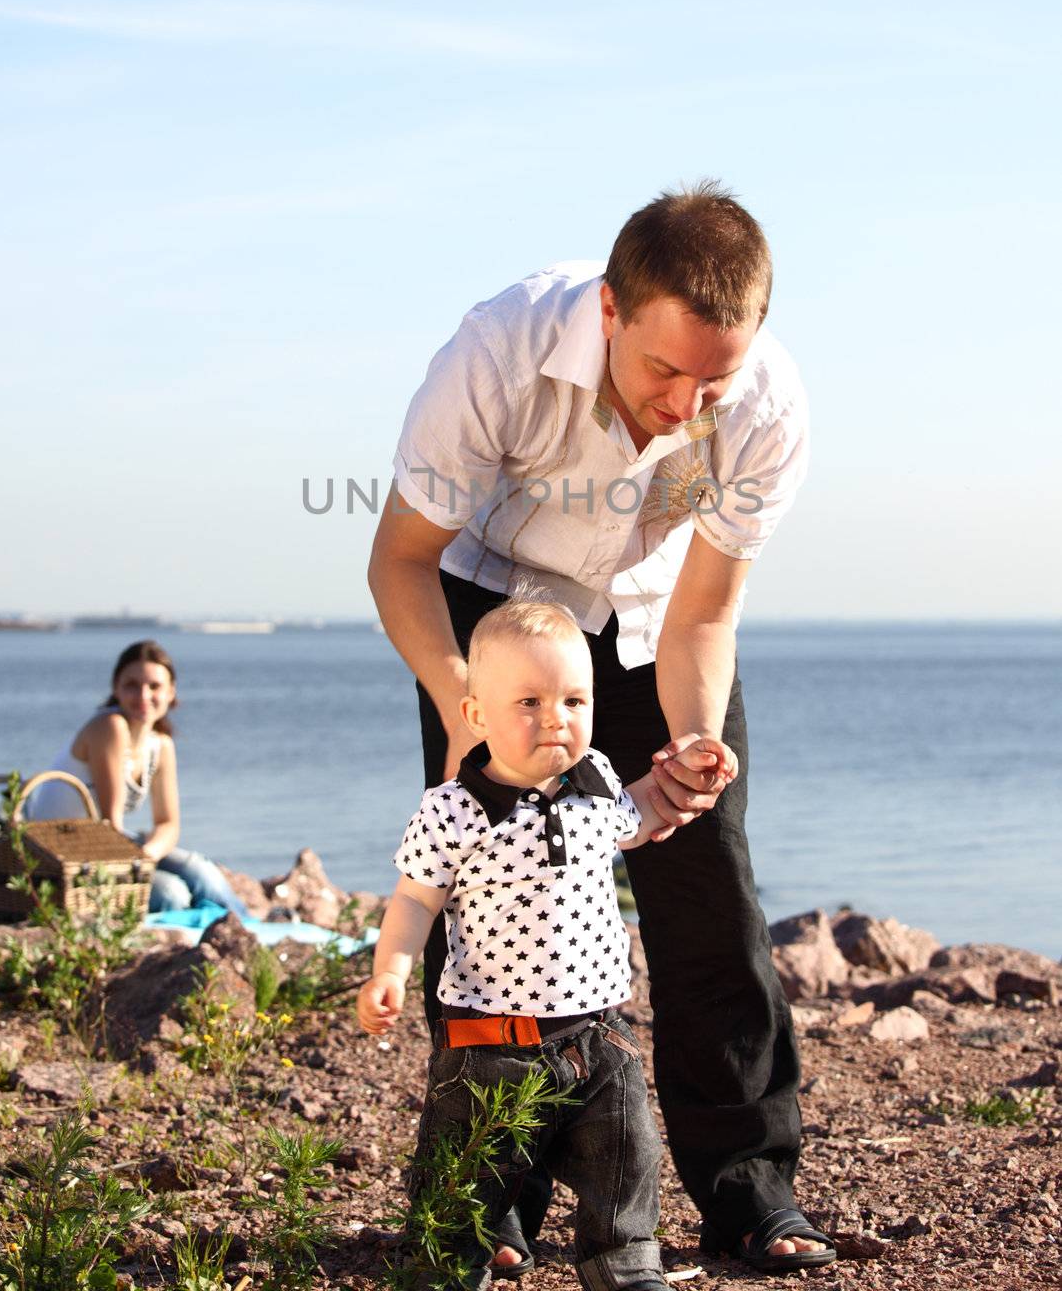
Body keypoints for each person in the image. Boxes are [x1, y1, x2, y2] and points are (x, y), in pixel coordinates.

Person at [367, 181, 835, 1274]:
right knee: (482, 905)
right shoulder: (497, 350)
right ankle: (493, 1203)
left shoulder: (767, 408)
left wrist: (692, 736)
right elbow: (398, 560)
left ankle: (749, 1191)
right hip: (490, 616)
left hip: (646, 623)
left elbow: (706, 610)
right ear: (611, 314)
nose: (685, 404)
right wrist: (466, 711)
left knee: (710, 886)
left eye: (712, 377)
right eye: (663, 370)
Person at [358, 597, 738, 1290]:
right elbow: (416, 897)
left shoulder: (594, 789)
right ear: (477, 717)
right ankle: (450, 1257)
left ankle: (620, 1259)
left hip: (598, 1032)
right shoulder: (455, 808)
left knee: (627, 1155)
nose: (556, 718)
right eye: (528, 701)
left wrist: (693, 769)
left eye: (573, 698)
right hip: (489, 1038)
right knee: (470, 1158)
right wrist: (391, 969)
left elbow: (643, 813)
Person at [24, 639, 247, 917]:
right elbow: (111, 823)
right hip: (60, 852)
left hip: (105, 844)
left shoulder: (161, 745)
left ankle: (250, 927)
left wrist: (149, 855)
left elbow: (167, 824)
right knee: (171, 893)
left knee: (201, 870)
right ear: (115, 688)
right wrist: (139, 864)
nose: (143, 695)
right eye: (132, 685)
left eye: (154, 686)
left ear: (171, 692)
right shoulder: (110, 727)